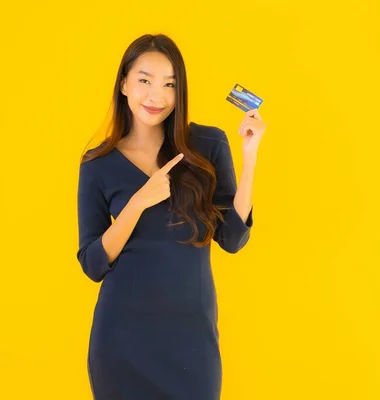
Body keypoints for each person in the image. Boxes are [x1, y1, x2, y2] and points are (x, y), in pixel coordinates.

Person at [76, 33, 266, 400]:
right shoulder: (97, 164)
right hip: (121, 340)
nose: (156, 96)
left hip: (191, 341)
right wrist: (137, 203)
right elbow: (93, 263)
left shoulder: (208, 145)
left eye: (169, 84)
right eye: (144, 80)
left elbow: (233, 239)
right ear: (124, 84)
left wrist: (250, 157)